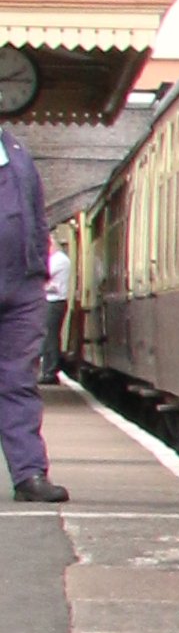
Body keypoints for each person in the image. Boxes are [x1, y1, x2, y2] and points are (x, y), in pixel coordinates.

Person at [0, 123, 62, 505]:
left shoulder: (18, 152)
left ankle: (29, 474)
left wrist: (38, 267)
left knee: (19, 380)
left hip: (21, 285)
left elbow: (36, 213)